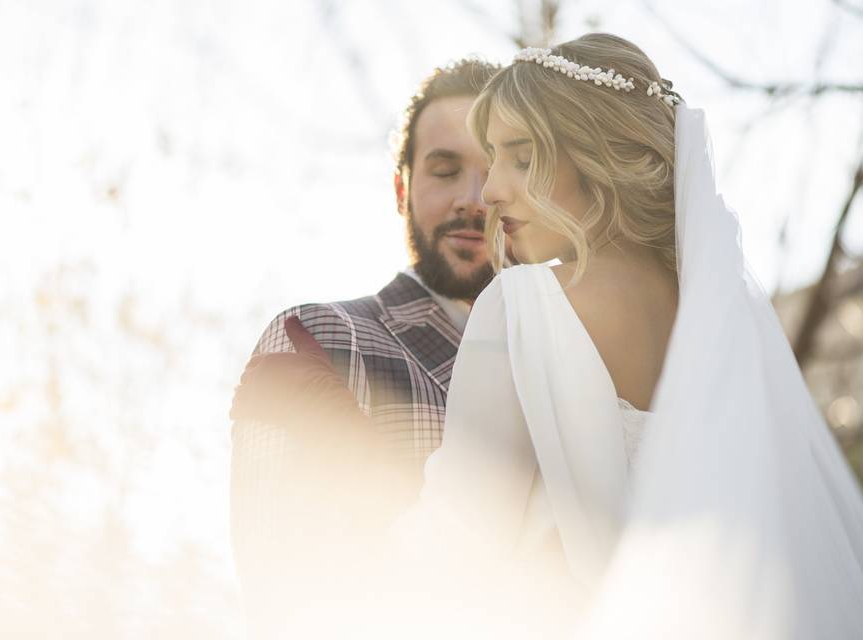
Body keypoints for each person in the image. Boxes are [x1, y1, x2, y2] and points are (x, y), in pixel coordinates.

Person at [234, 33, 863, 639]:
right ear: (401, 188)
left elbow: (463, 537)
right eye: (451, 168)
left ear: (597, 160)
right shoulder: (722, 321)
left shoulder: (525, 304)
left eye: (522, 158)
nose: (490, 192)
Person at [228, 58, 500, 639]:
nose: (473, 200)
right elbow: (282, 588)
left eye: (496, 170)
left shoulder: (581, 366)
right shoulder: (316, 339)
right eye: (445, 170)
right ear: (401, 189)